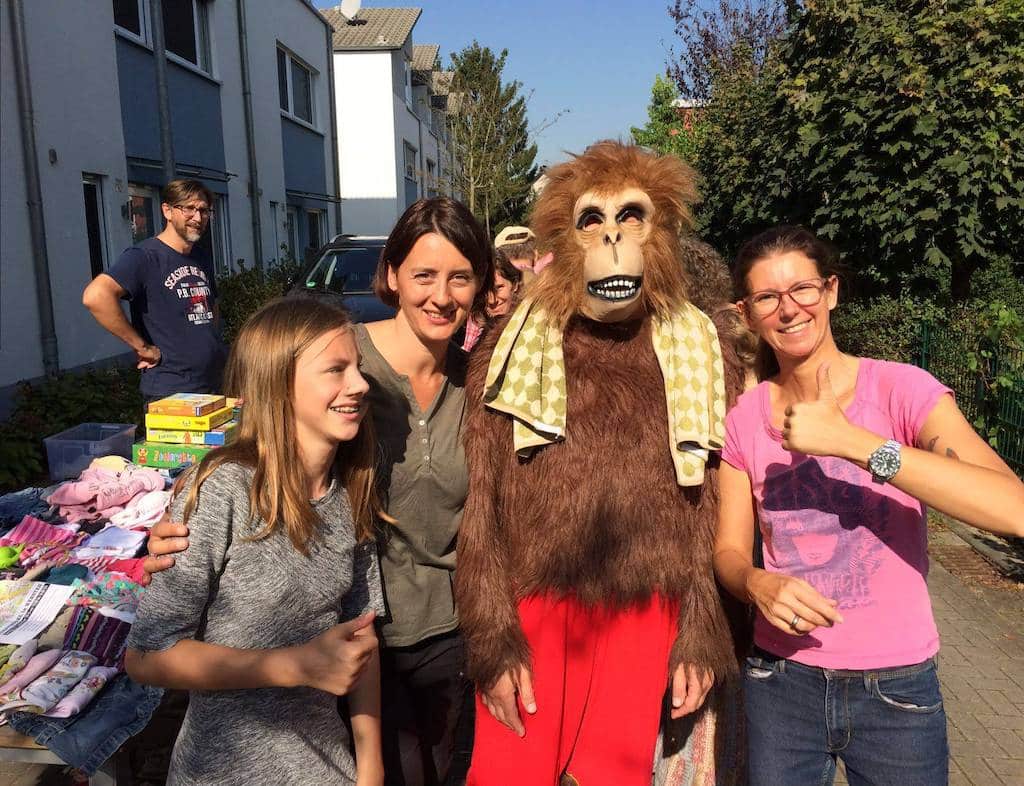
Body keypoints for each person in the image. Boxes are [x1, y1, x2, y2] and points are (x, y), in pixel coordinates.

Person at [144, 197, 495, 786]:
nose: (442, 295)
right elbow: (258, 443)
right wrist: (179, 522)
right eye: (424, 275)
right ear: (391, 275)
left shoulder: (480, 382)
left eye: (460, 276)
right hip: (322, 643)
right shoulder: (337, 353)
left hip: (432, 636)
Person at [713, 225, 1024, 786]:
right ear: (747, 312)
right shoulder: (743, 418)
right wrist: (756, 584)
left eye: (803, 289)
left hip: (896, 691)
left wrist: (853, 443)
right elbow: (729, 552)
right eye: (767, 298)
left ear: (831, 291)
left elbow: (1014, 508)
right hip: (781, 683)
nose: (789, 310)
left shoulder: (901, 390)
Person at [125, 296, 387, 786]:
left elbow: (362, 639)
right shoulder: (221, 491)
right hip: (221, 772)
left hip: (327, 769)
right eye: (335, 370)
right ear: (277, 384)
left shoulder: (352, 492)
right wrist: (292, 665)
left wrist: (371, 767)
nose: (359, 384)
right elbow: (146, 656)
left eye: (357, 367)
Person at [82, 178, 227, 401]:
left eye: (204, 210)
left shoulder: (200, 256)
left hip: (210, 382)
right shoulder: (144, 257)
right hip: (171, 390)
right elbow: (96, 296)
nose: (198, 218)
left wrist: (212, 344)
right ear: (167, 211)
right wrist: (142, 347)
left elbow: (211, 306)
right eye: (189, 208)